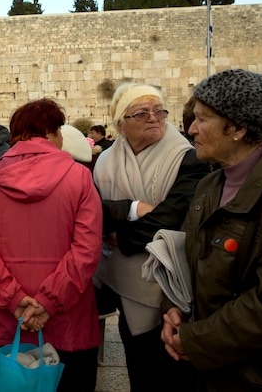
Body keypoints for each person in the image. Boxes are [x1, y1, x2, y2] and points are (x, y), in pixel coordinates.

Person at [161, 68, 262, 391]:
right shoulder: (209, 185)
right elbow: (188, 261)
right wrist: (172, 309)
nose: (191, 130)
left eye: (202, 120)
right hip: (211, 371)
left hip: (259, 377)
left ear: (238, 128)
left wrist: (195, 339)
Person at [0, 98, 103, 392]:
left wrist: (14, 299)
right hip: (70, 320)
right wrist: (48, 302)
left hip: (7, 320)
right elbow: (87, 250)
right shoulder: (80, 177)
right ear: (53, 131)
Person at [93, 82, 211, 392]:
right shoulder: (106, 160)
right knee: (139, 361)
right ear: (121, 124)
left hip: (172, 286)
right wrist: (131, 208)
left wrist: (123, 234)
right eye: (142, 112)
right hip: (123, 278)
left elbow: (176, 215)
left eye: (159, 110)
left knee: (171, 372)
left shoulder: (188, 157)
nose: (154, 118)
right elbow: (92, 209)